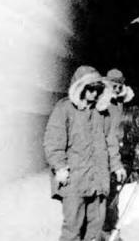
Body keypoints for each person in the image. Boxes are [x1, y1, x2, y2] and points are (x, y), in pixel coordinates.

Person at [44, 66, 126, 241]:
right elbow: (53, 141)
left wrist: (117, 165)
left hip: (98, 180)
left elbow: (110, 142)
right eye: (90, 89)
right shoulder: (65, 109)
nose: (94, 94)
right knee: (72, 230)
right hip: (74, 180)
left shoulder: (103, 114)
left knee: (95, 230)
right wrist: (59, 167)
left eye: (98, 89)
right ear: (80, 87)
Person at [100, 68, 137, 240]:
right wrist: (115, 164)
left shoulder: (120, 103)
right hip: (102, 157)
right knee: (106, 199)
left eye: (119, 86)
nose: (116, 89)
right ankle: (107, 233)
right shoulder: (104, 104)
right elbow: (109, 136)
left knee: (112, 198)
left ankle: (110, 232)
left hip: (114, 154)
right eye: (112, 85)